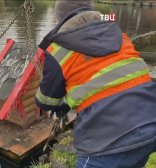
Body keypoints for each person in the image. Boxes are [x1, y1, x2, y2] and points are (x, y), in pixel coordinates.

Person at [35, 1, 156, 167]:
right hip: (149, 123)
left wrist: (62, 103)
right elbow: (108, 80)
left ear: (60, 18)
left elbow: (46, 101)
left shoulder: (58, 49)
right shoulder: (119, 35)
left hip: (107, 141)